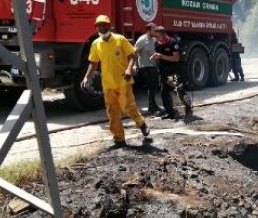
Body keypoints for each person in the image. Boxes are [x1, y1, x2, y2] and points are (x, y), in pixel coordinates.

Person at [81, 15, 150, 147]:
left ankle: (141, 123)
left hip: (123, 80)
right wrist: (86, 77)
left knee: (127, 107)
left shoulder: (120, 39)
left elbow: (132, 55)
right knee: (112, 112)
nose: (101, 27)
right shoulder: (96, 44)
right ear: (96, 27)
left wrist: (129, 69)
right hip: (107, 84)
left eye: (104, 24)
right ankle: (119, 139)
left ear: (109, 26)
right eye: (99, 25)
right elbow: (93, 62)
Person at [151, 26, 193, 120]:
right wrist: (155, 57)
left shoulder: (172, 42)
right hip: (163, 71)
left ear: (163, 34)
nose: (156, 38)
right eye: (155, 36)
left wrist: (161, 56)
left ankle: (188, 109)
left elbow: (176, 58)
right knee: (163, 93)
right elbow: (158, 55)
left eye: (157, 36)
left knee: (180, 91)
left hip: (174, 72)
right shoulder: (157, 43)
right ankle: (170, 113)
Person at [135, 23, 162, 115]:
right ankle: (152, 108)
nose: (156, 31)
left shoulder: (154, 40)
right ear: (148, 30)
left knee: (154, 87)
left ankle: (153, 106)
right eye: (154, 30)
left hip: (153, 66)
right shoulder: (142, 40)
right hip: (145, 66)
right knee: (151, 87)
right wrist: (135, 66)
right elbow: (134, 53)